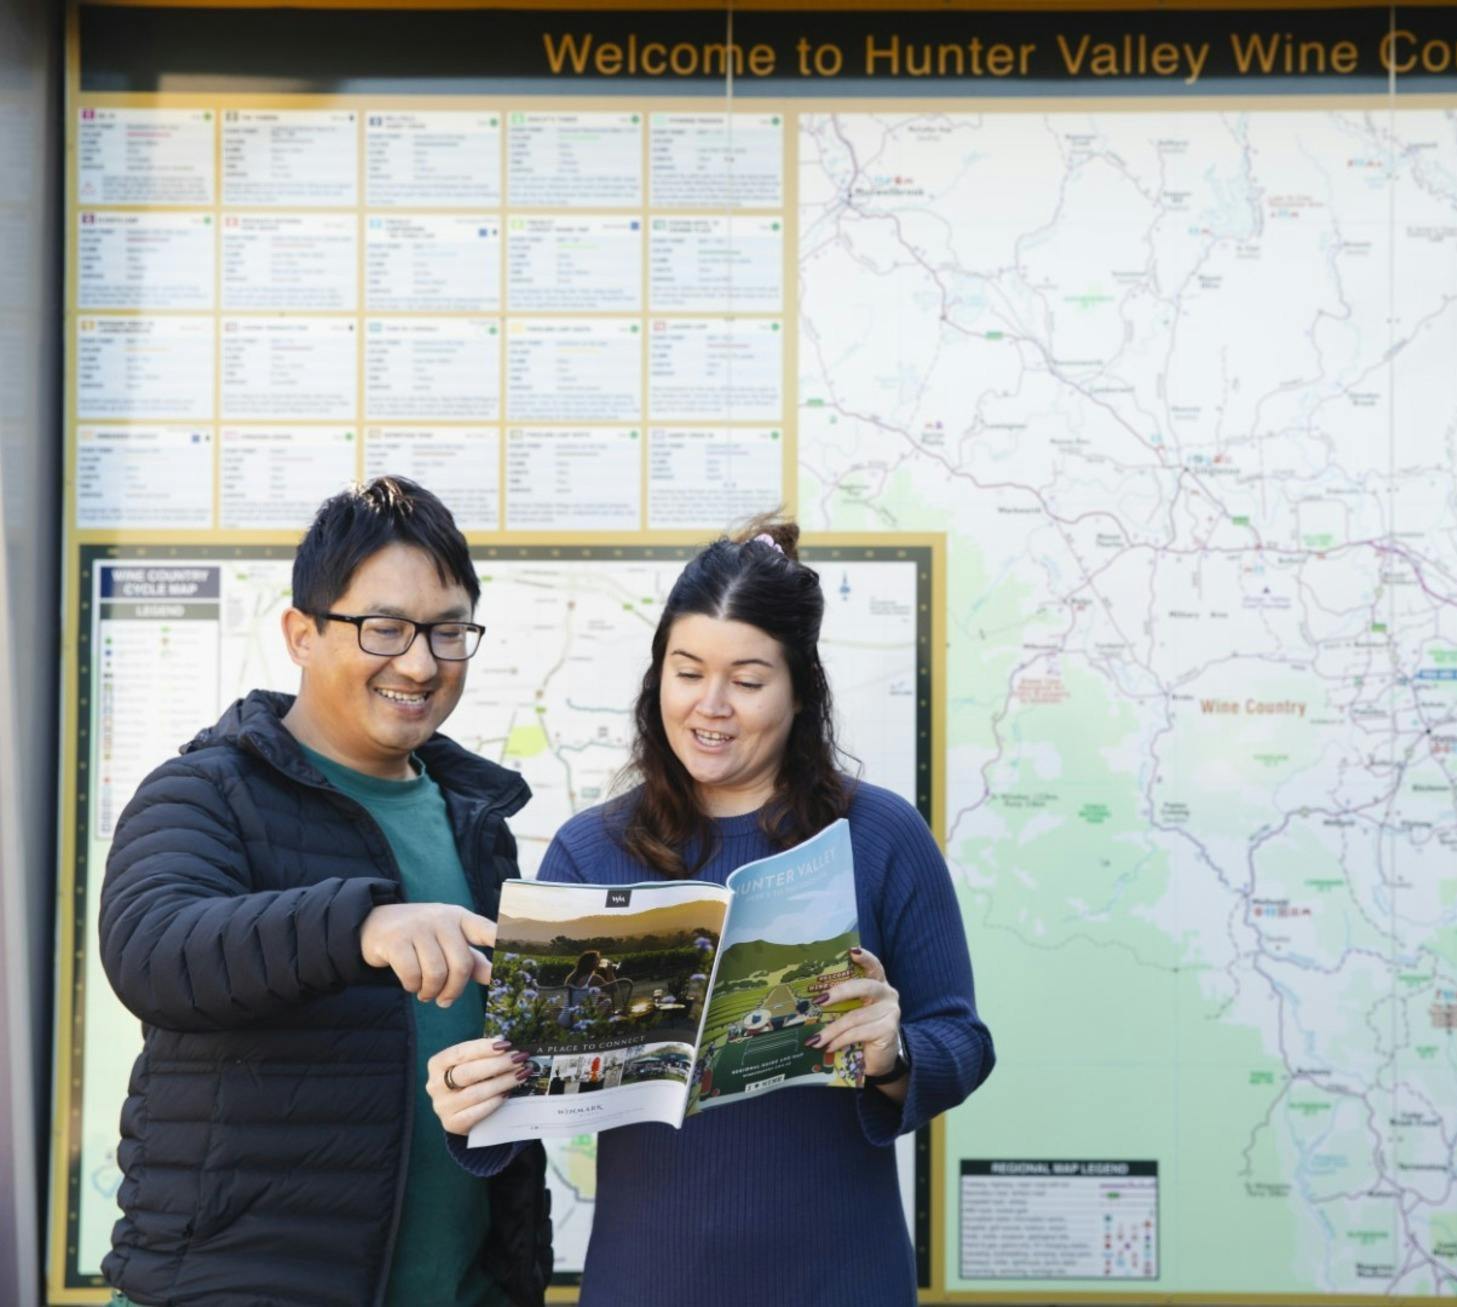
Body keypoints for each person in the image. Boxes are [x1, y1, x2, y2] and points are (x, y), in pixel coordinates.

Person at [428, 519, 994, 1306]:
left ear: (801, 694)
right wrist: (469, 1097)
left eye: (750, 680)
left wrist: (894, 1051)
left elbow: (963, 1042)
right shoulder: (591, 851)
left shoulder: (882, 835)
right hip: (650, 1277)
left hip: (842, 1276)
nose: (712, 706)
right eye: (687, 671)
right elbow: (521, 1075)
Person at [97, 477, 550, 1307]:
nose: (419, 662)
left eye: (448, 631)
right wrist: (360, 925)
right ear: (301, 634)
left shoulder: (478, 821)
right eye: (384, 628)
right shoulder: (205, 790)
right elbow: (151, 948)